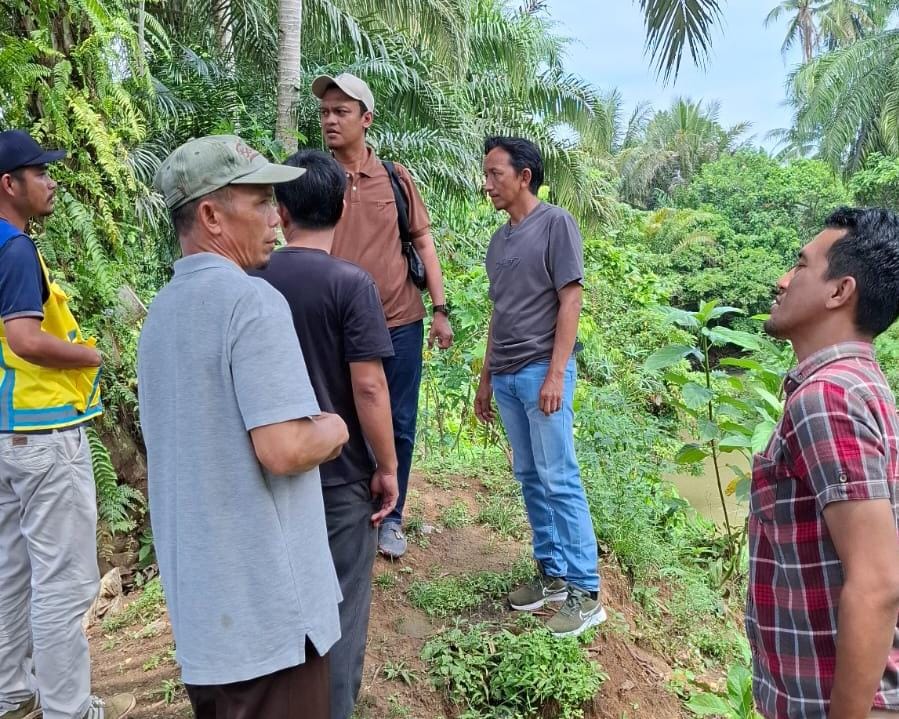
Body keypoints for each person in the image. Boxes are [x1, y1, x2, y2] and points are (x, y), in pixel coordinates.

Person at [138, 135, 349, 719]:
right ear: (210, 215)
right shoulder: (251, 303)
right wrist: (333, 429)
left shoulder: (161, 315)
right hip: (270, 622)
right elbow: (282, 449)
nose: (276, 219)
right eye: (259, 202)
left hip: (207, 624)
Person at [250, 149, 398, 719]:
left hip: (269, 476)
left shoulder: (252, 280)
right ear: (343, 205)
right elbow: (369, 389)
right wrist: (386, 467)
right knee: (338, 612)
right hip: (340, 480)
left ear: (280, 211)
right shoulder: (350, 284)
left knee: (277, 607)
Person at [0, 130, 134, 719]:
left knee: (11, 573)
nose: (52, 182)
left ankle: (12, 693)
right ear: (10, 185)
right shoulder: (15, 249)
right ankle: (69, 709)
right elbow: (26, 339)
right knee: (63, 582)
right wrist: (91, 355)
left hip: (7, 434)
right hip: (45, 435)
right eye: (41, 173)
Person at [748, 207, 899, 719]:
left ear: (840, 291)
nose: (782, 279)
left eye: (801, 265)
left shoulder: (827, 397)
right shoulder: (862, 387)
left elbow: (878, 581)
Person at [312, 72, 453, 558]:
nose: (330, 120)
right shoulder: (318, 179)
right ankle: (351, 515)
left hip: (398, 319)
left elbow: (422, 243)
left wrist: (439, 309)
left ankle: (392, 517)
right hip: (334, 324)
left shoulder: (395, 178)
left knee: (399, 422)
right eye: (326, 111)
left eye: (341, 111)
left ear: (366, 119)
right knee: (338, 419)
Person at [474, 136, 604, 638]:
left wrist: (556, 372)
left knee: (559, 477)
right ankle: (551, 575)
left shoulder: (556, 224)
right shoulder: (498, 241)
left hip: (540, 372)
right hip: (506, 374)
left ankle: (586, 592)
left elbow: (569, 301)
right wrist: (485, 379)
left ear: (524, 176)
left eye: (495, 174)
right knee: (530, 475)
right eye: (485, 174)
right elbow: (498, 313)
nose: (487, 184)